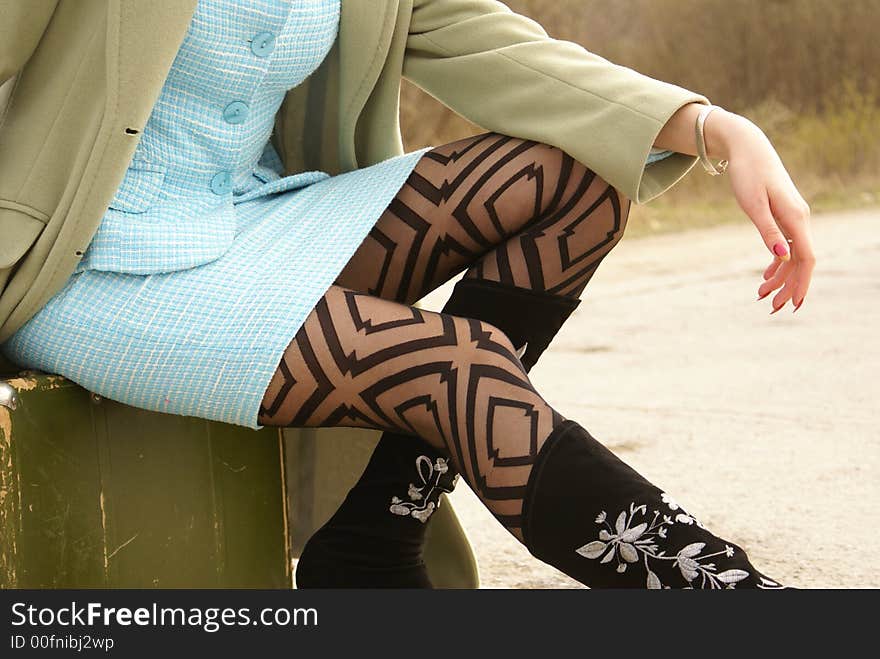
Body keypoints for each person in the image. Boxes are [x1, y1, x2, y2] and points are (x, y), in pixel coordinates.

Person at [0, 0, 814, 589]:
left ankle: (372, 537)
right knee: (457, 368)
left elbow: (489, 43)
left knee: (578, 177)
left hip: (257, 219)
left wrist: (717, 129)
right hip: (93, 260)